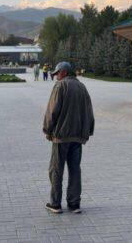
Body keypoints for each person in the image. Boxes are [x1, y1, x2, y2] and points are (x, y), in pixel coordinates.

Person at [43, 62, 95, 214]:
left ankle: (55, 203)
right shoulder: (82, 87)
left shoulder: (61, 86)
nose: (55, 77)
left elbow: (52, 110)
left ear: (64, 72)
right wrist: (88, 130)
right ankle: (74, 204)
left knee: (56, 169)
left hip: (61, 136)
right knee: (75, 170)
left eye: (57, 73)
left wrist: (47, 129)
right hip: (78, 136)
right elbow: (89, 110)